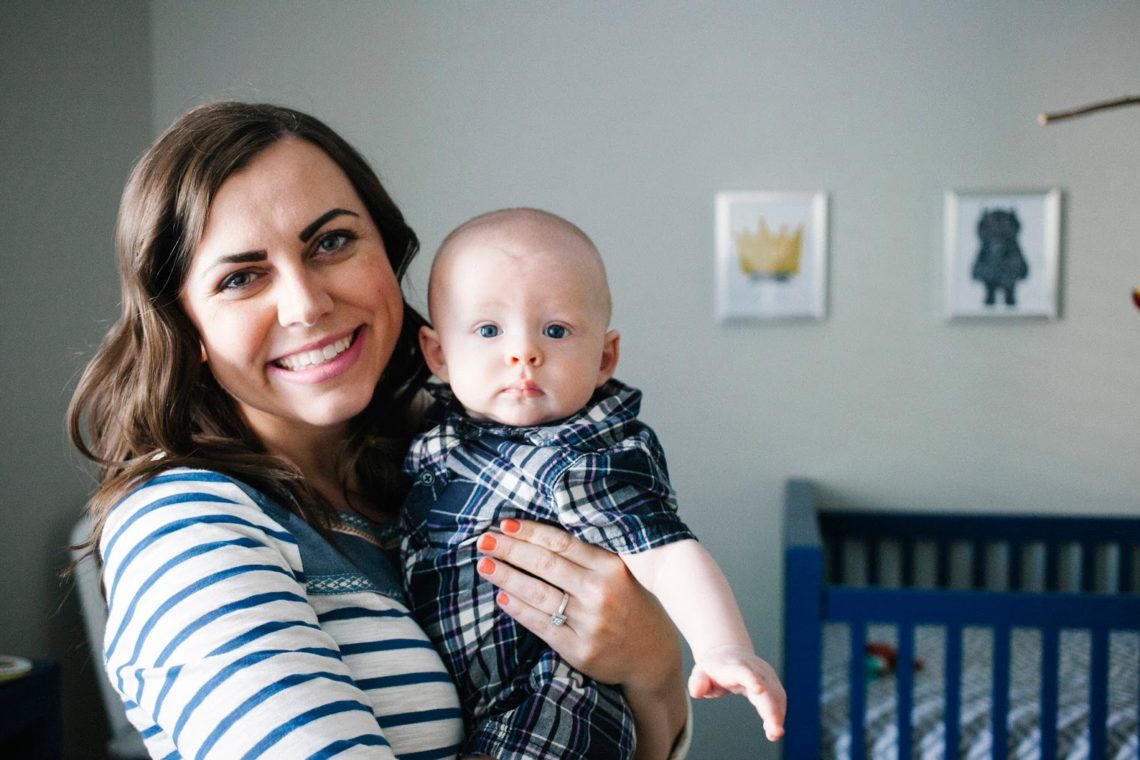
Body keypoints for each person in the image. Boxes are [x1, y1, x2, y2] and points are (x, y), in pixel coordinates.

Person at [67, 102, 690, 759]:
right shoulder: (188, 530)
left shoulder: (454, 466)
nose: (307, 304)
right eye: (241, 278)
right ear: (186, 328)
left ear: (387, 253)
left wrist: (652, 668)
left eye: (331, 242)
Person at [402, 208, 787, 760]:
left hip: (556, 698)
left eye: (555, 330)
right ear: (437, 354)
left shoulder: (588, 455)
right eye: (489, 329)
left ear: (604, 357)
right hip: (468, 696)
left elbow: (668, 553)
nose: (523, 352)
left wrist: (724, 647)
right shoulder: (438, 429)